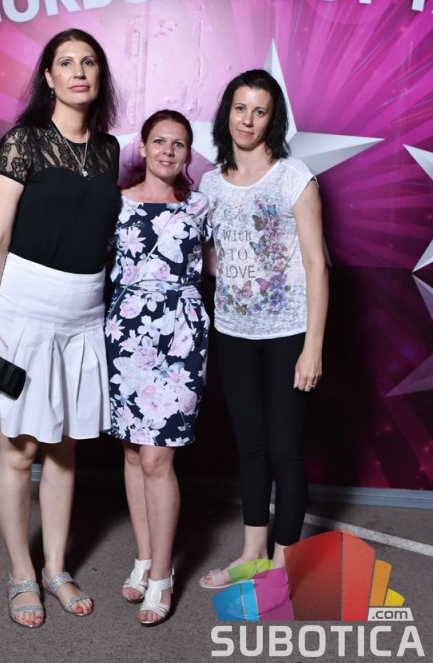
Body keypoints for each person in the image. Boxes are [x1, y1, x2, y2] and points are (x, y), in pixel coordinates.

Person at [0, 28, 120, 628]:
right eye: (66, 62)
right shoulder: (21, 141)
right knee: (19, 448)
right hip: (23, 309)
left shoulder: (108, 150)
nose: (79, 71)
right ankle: (21, 573)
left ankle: (56, 568)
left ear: (99, 76)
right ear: (48, 77)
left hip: (84, 313)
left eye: (89, 62)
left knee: (65, 446)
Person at [198, 69, 328, 588]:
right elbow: (215, 257)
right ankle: (252, 554)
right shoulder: (210, 184)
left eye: (259, 111)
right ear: (226, 113)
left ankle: (283, 566)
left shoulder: (294, 177)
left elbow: (317, 264)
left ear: (273, 119)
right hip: (233, 333)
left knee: (284, 452)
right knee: (250, 448)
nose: (247, 120)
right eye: (240, 108)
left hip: (288, 334)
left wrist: (313, 347)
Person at [105, 109, 210, 625]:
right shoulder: (116, 203)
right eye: (160, 141)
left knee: (156, 458)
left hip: (181, 335)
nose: (168, 151)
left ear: (188, 154)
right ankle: (144, 559)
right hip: (126, 335)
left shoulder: (199, 206)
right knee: (132, 451)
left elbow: (221, 267)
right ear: (143, 147)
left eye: (179, 143)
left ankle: (164, 575)